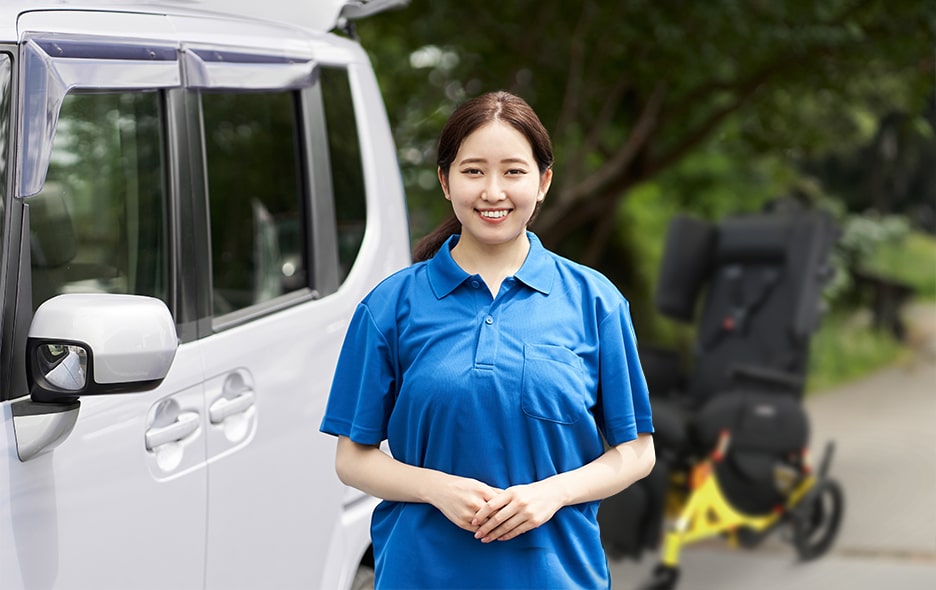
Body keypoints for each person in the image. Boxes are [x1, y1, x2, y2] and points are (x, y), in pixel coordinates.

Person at [320, 90, 655, 589]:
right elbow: (352, 458)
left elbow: (637, 451)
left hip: (557, 575)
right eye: (473, 171)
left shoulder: (595, 301)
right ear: (445, 181)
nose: (493, 191)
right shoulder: (390, 305)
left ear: (543, 182)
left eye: (513, 171)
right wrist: (437, 489)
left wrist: (552, 494)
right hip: (421, 574)